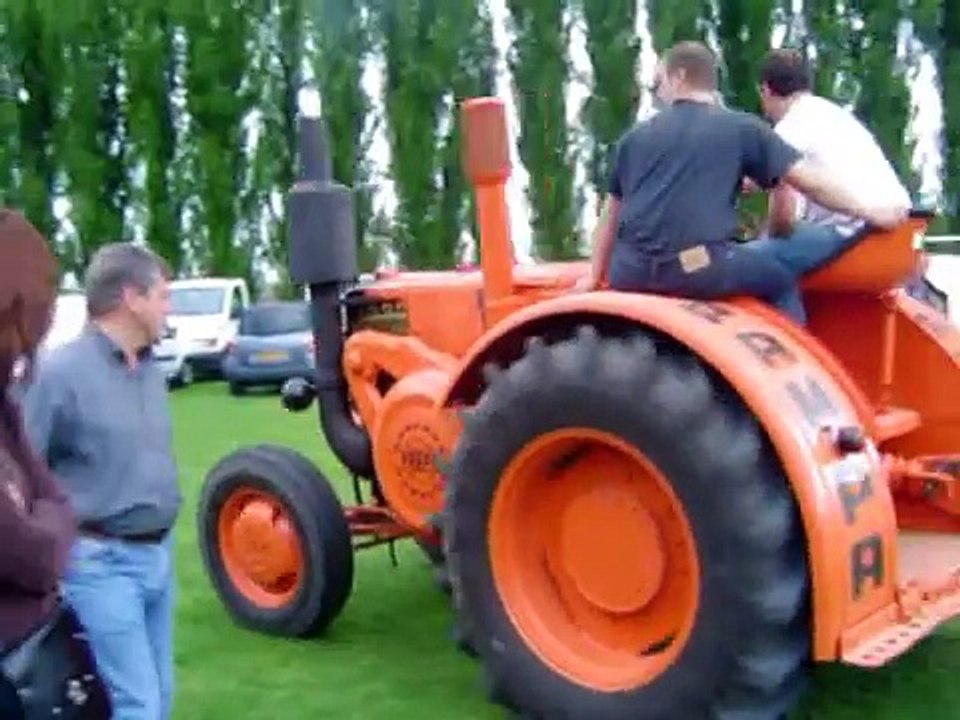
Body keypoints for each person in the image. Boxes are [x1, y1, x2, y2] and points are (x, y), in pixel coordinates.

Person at [574, 41, 909, 324]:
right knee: (778, 279)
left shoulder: (634, 138)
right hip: (694, 267)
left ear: (678, 77)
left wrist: (593, 275)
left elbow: (611, 212)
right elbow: (811, 183)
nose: (657, 92)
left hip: (628, 272)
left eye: (658, 83)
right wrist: (870, 211)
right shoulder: (742, 129)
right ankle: (786, 380)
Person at [20, 242, 181, 720]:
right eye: (162, 295)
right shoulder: (57, 373)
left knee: (160, 693)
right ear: (131, 297)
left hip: (159, 554)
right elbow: (21, 471)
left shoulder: (150, 368)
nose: (167, 306)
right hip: (99, 562)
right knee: (139, 703)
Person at [0, 209, 111, 719]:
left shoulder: (4, 406)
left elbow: (55, 499)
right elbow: (34, 555)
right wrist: (43, 523)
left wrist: (42, 518)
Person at [748, 47, 913, 275]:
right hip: (902, 231)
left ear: (765, 90)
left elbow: (781, 208)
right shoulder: (831, 114)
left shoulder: (790, 126)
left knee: (743, 262)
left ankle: (784, 311)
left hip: (855, 234)